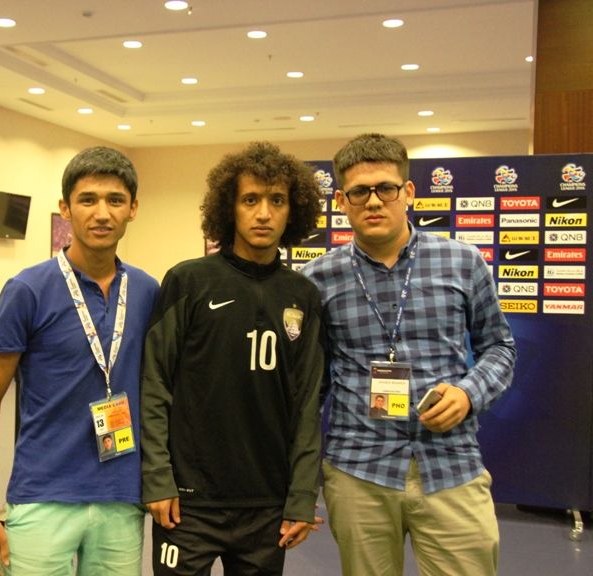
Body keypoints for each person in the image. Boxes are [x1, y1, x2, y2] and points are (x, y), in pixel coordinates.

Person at [302, 133, 516, 576]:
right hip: (359, 470)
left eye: (386, 188)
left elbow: (499, 346)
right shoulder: (316, 280)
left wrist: (469, 393)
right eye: (360, 192)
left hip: (451, 465)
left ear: (409, 193)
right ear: (342, 199)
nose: (374, 202)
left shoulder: (462, 261)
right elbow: (311, 386)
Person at [0, 146, 159, 576]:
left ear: (133, 209)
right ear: (65, 208)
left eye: (115, 200)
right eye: (87, 199)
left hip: (121, 495)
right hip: (42, 495)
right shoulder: (28, 289)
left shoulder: (148, 291)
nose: (101, 213)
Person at [141, 141, 324, 575]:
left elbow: (307, 405)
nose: (263, 213)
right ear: (230, 207)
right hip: (188, 502)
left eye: (276, 200)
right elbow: (154, 385)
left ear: (292, 210)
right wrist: (158, 478)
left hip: (266, 504)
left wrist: (300, 496)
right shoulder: (188, 281)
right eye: (250, 200)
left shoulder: (303, 296)